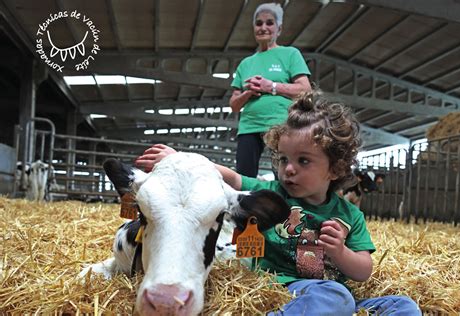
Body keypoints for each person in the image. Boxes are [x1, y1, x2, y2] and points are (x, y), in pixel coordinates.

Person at [135, 89, 421, 315]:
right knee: (336, 297)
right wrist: (179, 160)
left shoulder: (350, 215)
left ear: (335, 169)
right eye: (283, 159)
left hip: (332, 301)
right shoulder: (273, 193)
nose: (289, 169)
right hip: (282, 291)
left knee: (404, 306)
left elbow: (363, 271)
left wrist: (340, 252)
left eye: (303, 160)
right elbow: (233, 179)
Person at [229, 2, 311, 178]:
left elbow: (305, 90)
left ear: (279, 29)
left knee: (285, 175)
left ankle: (288, 206)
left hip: (281, 125)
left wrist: (271, 86)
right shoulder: (245, 64)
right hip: (249, 127)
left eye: (269, 23)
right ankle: (246, 206)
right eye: (258, 23)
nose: (263, 27)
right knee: (244, 177)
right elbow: (234, 105)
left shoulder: (290, 54)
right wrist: (247, 92)